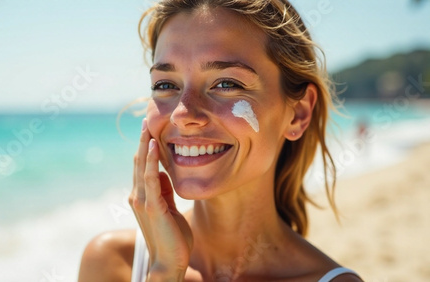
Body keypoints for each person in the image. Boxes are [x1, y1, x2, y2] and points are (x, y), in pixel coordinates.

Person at [78, 0, 363, 281]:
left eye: (227, 83)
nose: (183, 113)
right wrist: (165, 271)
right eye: (165, 85)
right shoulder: (113, 264)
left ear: (298, 114)